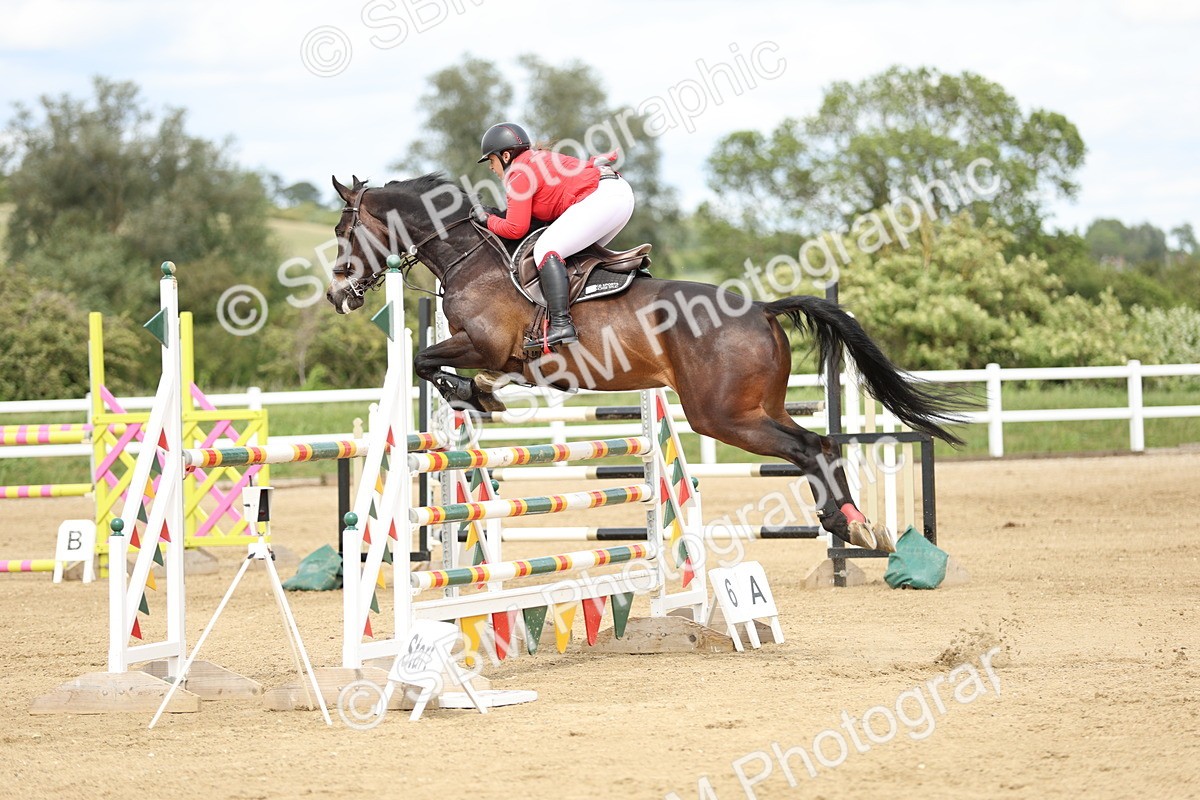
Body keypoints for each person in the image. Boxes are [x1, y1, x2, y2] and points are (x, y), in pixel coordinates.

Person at [470, 122, 635, 349]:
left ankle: (561, 324)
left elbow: (515, 229)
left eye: (491, 160)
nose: (491, 167)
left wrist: (488, 220)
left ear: (506, 155)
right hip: (619, 195)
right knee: (576, 258)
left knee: (545, 250)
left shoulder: (518, 173)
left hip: (605, 198)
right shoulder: (536, 160)